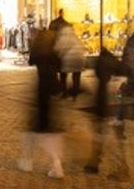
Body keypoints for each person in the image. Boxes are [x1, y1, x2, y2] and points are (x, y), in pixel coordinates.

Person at [19, 27, 64, 179]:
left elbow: (33, 61)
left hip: (43, 95)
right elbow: (58, 67)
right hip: (48, 95)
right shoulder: (52, 54)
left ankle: (53, 166)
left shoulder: (40, 54)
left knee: (40, 133)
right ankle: (28, 161)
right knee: (36, 132)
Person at [84, 48, 129, 180]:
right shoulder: (115, 70)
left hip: (105, 111)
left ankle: (120, 170)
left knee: (106, 139)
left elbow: (102, 96)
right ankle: (93, 163)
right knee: (100, 137)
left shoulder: (104, 73)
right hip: (112, 111)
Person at [55, 25, 85, 99]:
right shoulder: (75, 38)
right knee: (76, 76)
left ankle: (64, 92)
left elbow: (58, 48)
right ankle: (75, 92)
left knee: (63, 76)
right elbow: (82, 47)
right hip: (79, 60)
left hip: (67, 60)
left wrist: (58, 56)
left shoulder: (63, 38)